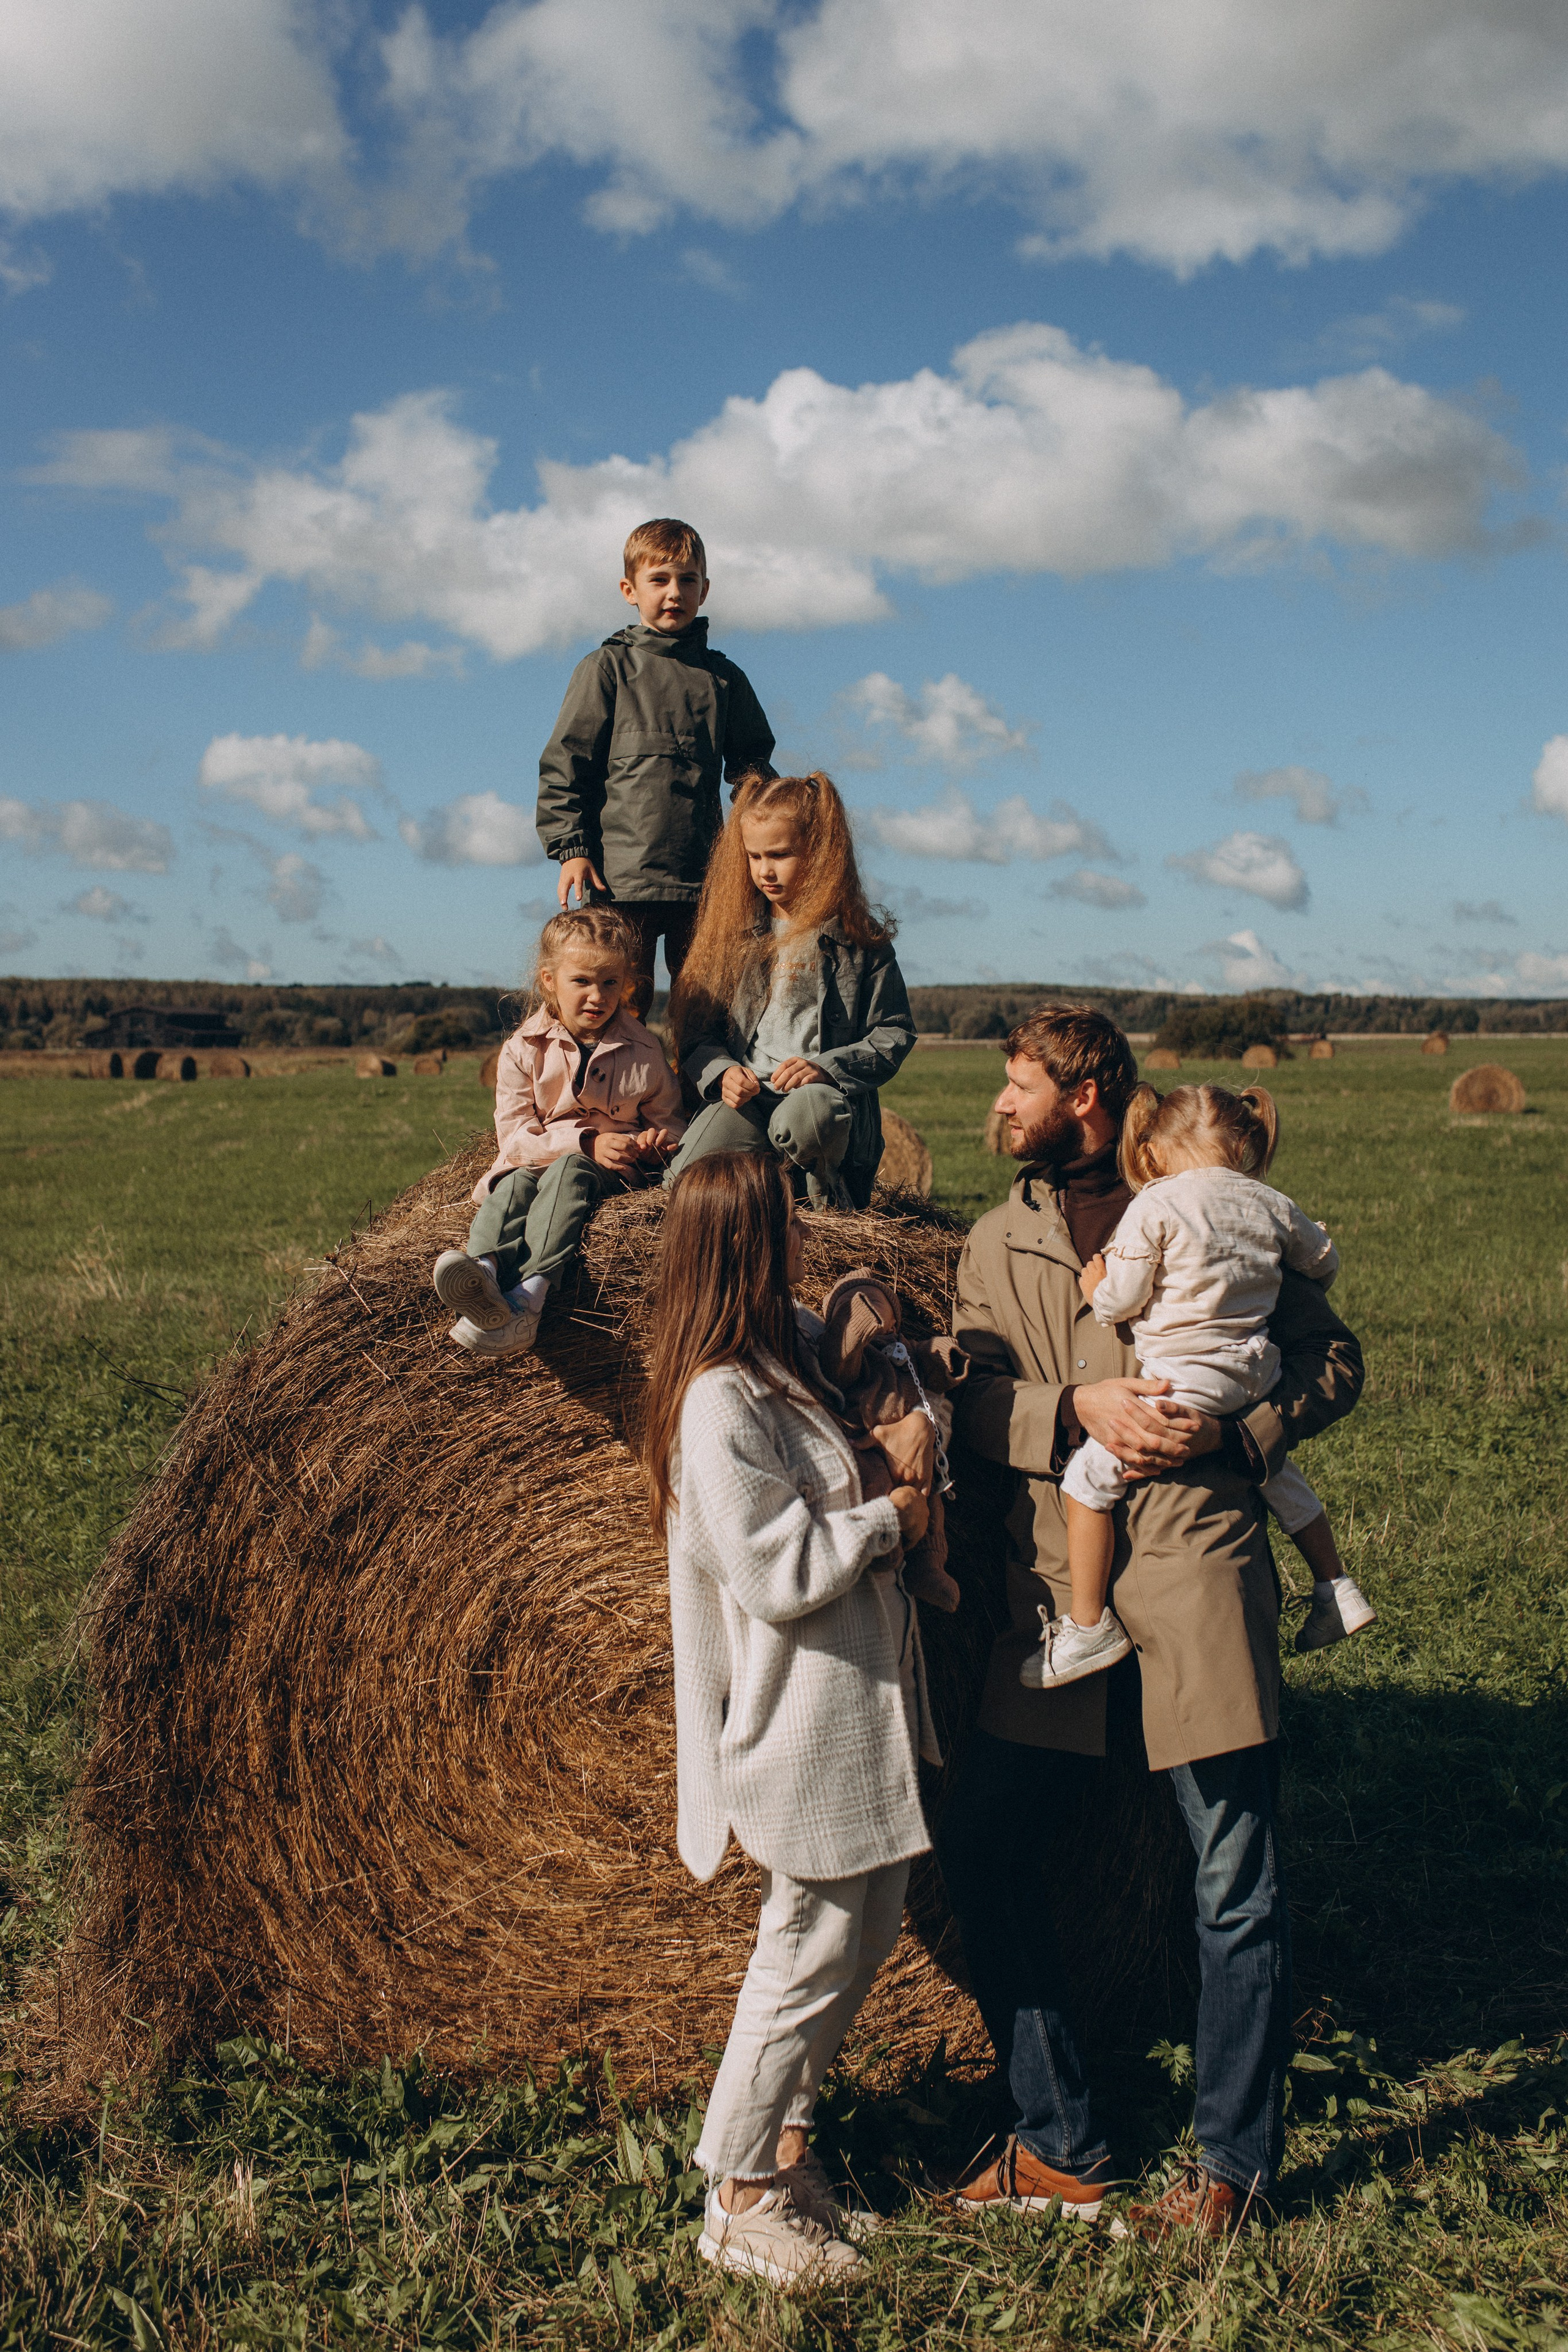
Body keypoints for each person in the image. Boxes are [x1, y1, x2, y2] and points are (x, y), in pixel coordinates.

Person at [932, 1005, 1365, 2241]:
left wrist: (1241, 1434)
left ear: (1084, 1094)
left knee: (1234, 1882)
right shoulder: (995, 1237)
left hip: (1199, 1564)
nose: (999, 1103)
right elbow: (966, 1395)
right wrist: (1074, 1409)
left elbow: (1329, 1360)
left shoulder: (1203, 1187)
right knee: (984, 1845)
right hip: (1053, 1594)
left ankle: (1231, 2172)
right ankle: (1060, 2140)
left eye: (1017, 1084)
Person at [638, 1152, 938, 2285]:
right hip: (797, 1718)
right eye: (788, 1226)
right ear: (748, 1245)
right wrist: (890, 1520)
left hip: (858, 1706)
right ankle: (735, 2194)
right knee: (802, 1951)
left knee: (860, 1939)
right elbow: (775, 1570)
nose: (805, 1240)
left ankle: (785, 2157)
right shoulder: (717, 1403)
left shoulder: (782, 1362)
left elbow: (873, 1343)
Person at [1031, 1079, 1375, 1687]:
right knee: (1274, 1471)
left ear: (1156, 1149)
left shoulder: (1157, 1204)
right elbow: (1324, 1264)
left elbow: (1124, 1298)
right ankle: (1336, 1589)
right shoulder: (1269, 1201)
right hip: (1255, 1376)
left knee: (1086, 1483)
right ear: (1240, 1142)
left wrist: (1096, 1291)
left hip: (1184, 1383)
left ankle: (1087, 1626)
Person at [535, 517, 775, 1012]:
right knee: (624, 1005)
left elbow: (755, 775)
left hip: (707, 881)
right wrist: (571, 848)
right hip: (619, 880)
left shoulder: (724, 679)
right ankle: (624, 1094)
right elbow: (566, 764)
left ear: (705, 590)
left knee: (706, 1006)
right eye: (659, 580)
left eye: (688, 580)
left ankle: (697, 1092)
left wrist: (768, 847)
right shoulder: (606, 669)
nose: (674, 593)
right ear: (630, 589)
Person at [431, 907, 682, 1356]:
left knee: (570, 1170)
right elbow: (515, 1138)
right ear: (549, 980)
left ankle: (530, 1298)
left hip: (608, 1174)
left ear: (626, 983)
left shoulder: (645, 1050)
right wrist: (582, 1139)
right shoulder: (522, 1049)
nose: (597, 996)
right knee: (510, 1185)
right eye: (582, 981)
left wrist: (654, 1144)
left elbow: (668, 1122)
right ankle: (482, 1272)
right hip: (534, 1161)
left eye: (610, 983)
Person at [665, 770, 916, 1207]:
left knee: (811, 1115)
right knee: (685, 1185)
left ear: (820, 852)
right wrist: (723, 1071)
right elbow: (696, 1035)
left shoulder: (860, 940)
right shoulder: (732, 935)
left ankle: (824, 1208)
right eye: (754, 856)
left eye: (780, 855)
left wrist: (827, 1068)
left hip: (816, 1102)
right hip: (750, 1100)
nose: (765, 870)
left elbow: (894, 1032)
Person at [817, 1266, 968, 1613]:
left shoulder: (906, 1348)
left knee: (933, 1500)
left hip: (916, 1446)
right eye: (849, 1306)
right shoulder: (854, 1354)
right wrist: (854, 1326)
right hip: (869, 1439)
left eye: (873, 1301)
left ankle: (929, 1567)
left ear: (895, 1320)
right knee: (874, 1483)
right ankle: (887, 1548)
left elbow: (933, 1357)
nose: (862, 1306)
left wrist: (949, 1356)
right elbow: (838, 1365)